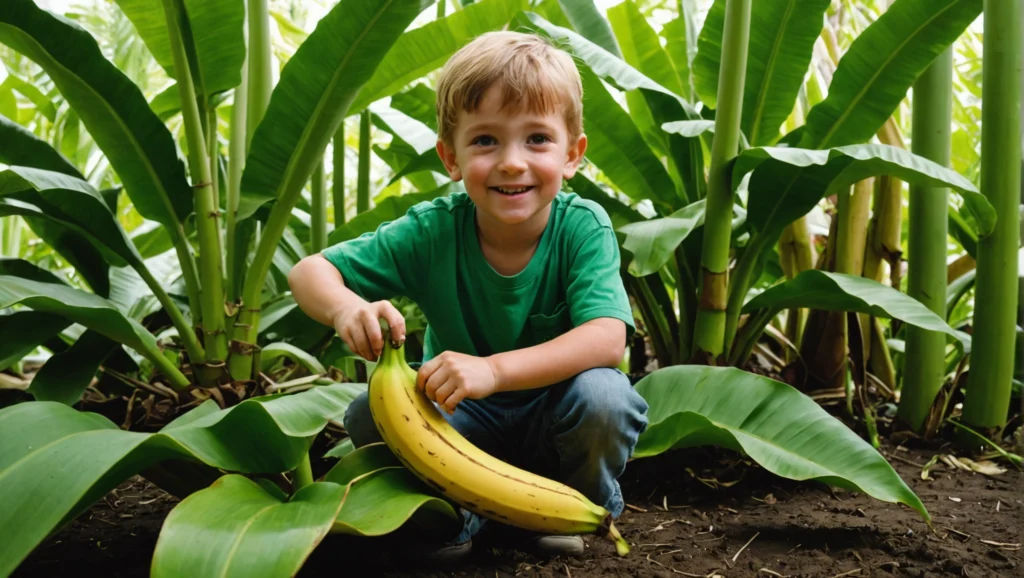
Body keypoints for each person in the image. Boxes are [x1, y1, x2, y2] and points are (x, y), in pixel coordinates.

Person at [288, 30, 648, 563]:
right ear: (450, 158)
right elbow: (308, 271)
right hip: (456, 419)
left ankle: (574, 506)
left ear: (572, 155)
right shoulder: (433, 232)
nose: (510, 162)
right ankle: (458, 512)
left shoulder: (582, 228)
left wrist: (495, 371)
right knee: (369, 412)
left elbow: (606, 338)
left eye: (537, 140)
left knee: (604, 398)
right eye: (485, 141)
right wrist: (347, 308)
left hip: (555, 415)